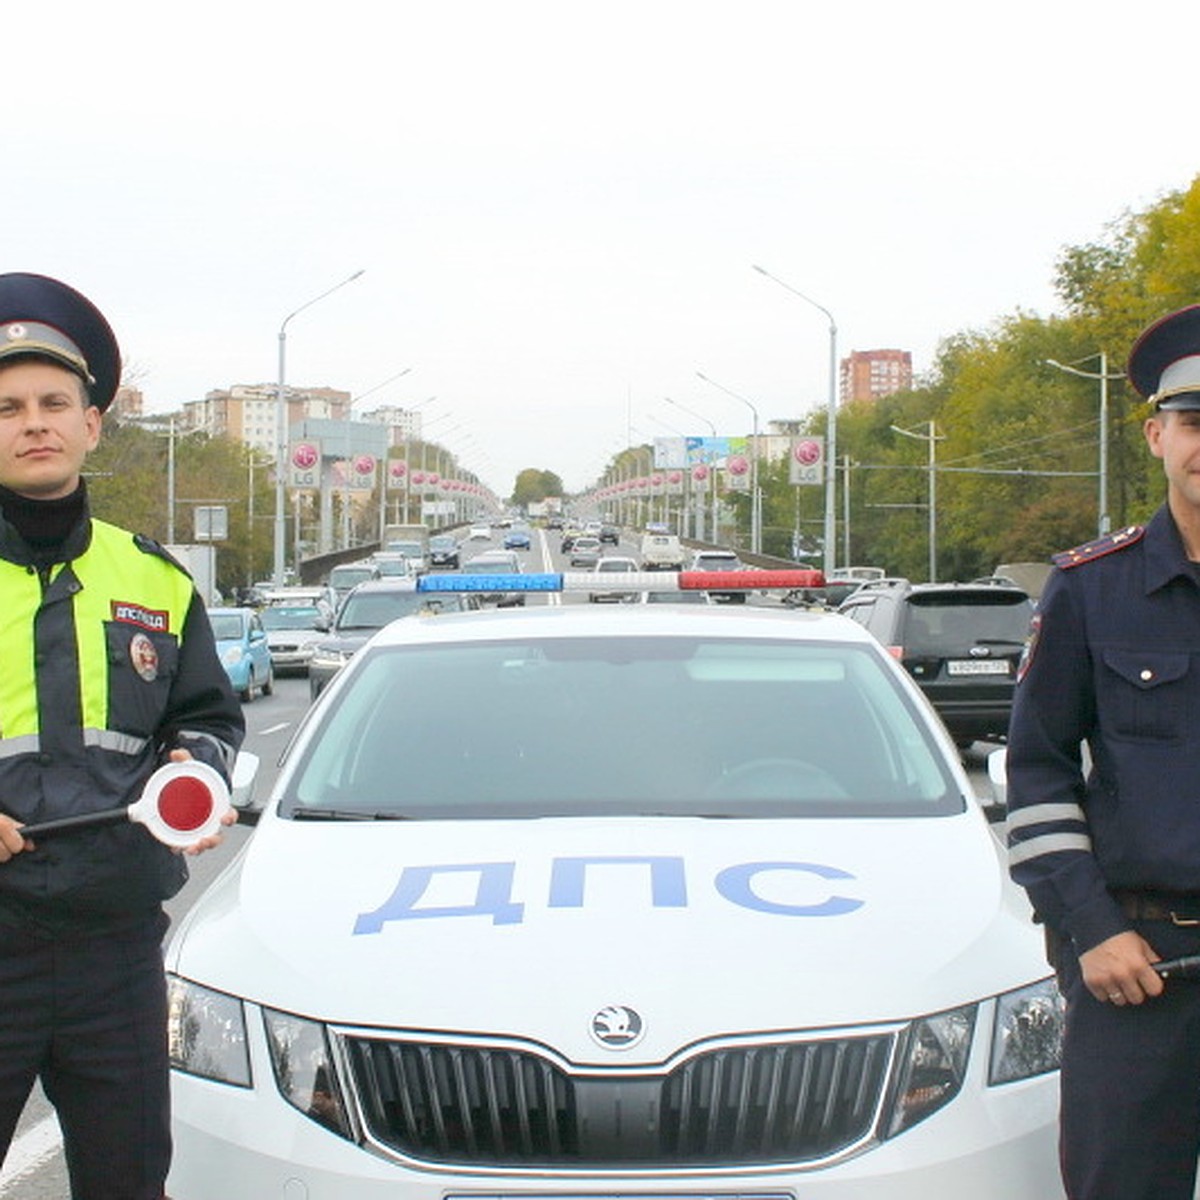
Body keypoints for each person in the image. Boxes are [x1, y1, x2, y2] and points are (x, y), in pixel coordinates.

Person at [0, 273, 245, 1199]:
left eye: (55, 402)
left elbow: (210, 718)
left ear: (92, 424)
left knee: (130, 1181)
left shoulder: (156, 578)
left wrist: (201, 771)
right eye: (10, 406)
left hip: (114, 944)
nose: (35, 422)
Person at [1007, 302, 1200, 1200]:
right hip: (1140, 971)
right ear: (1157, 435)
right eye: (1195, 423)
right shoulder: (1091, 590)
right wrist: (1095, 930)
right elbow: (1038, 773)